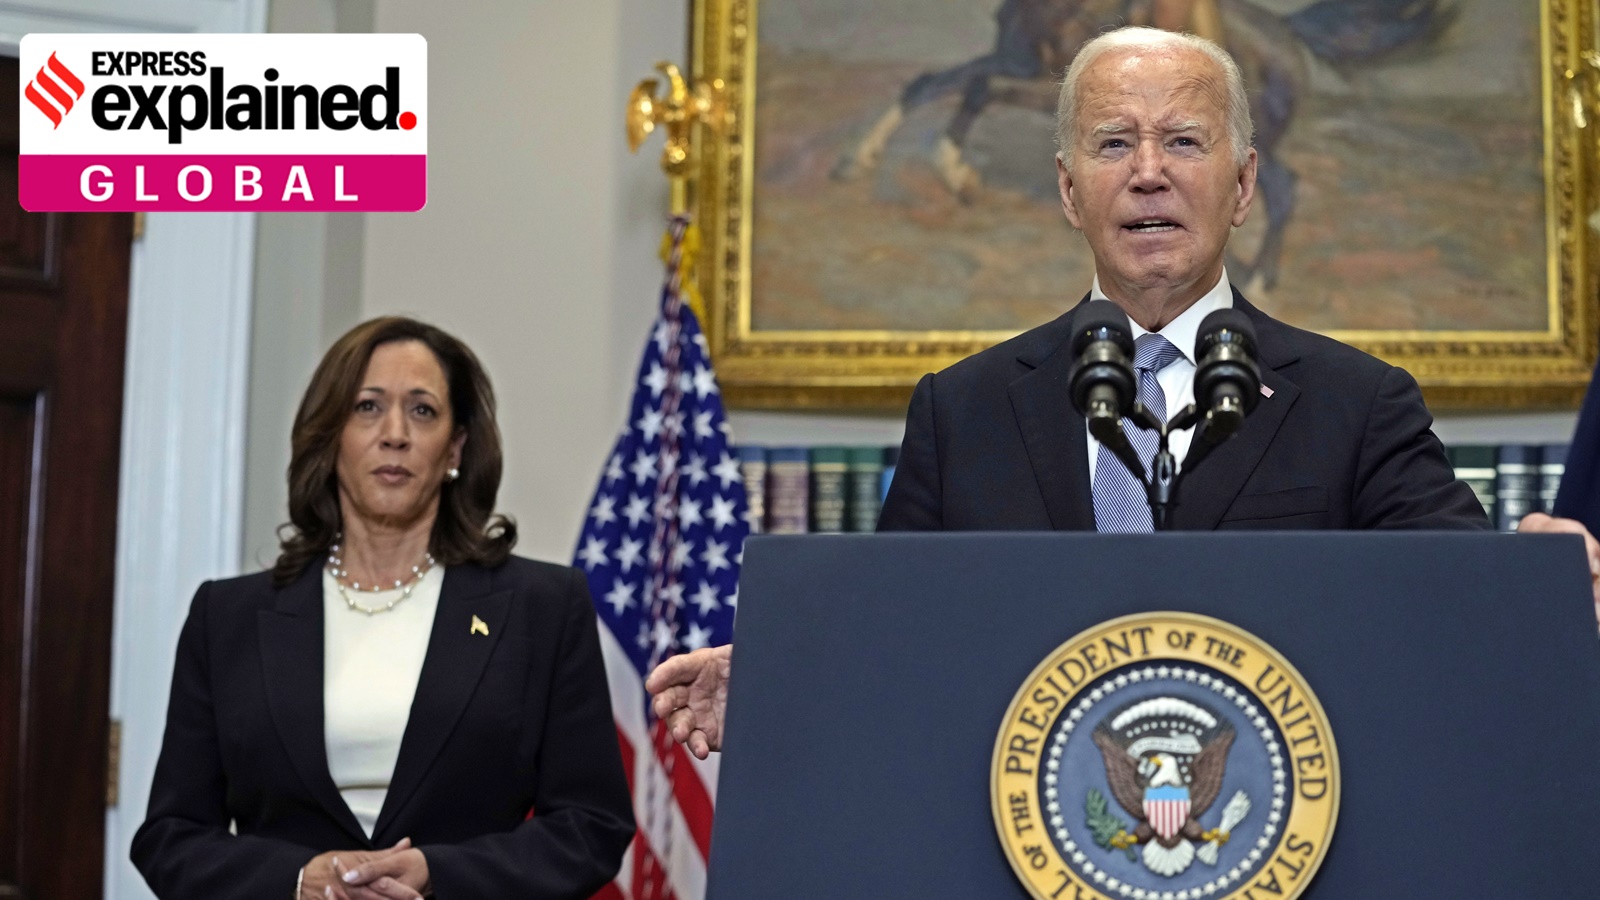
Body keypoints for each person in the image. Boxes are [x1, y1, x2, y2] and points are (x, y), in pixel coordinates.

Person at [649, 27, 1600, 755]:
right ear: (1069, 191)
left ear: (1242, 184)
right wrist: (785, 681)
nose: (1148, 172)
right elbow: (910, 635)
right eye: (1113, 144)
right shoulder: (963, 410)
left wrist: (1550, 587)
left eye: (1184, 140)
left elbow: (1458, 610)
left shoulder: (1359, 404)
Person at [132, 317, 634, 899]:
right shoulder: (228, 617)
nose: (394, 433)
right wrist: (298, 880)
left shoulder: (543, 609)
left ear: (456, 447)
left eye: (422, 411)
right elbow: (172, 837)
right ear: (330, 436)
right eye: (367, 407)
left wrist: (437, 874)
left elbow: (591, 827)